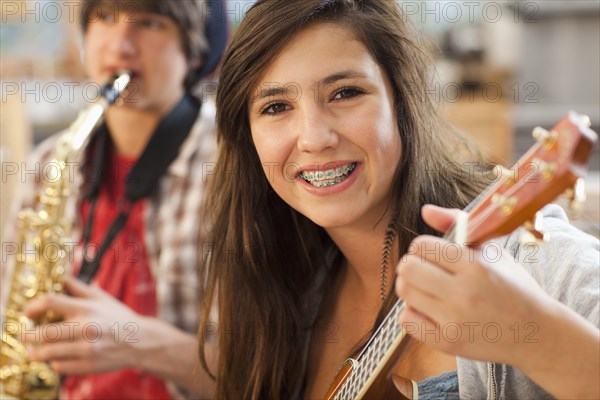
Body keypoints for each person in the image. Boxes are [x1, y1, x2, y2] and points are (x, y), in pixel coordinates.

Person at [198, 0, 599, 399]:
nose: (314, 137)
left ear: (401, 103)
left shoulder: (530, 258)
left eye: (345, 93)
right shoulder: (282, 283)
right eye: (276, 106)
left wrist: (531, 332)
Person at [1, 0, 227, 398]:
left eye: (150, 23)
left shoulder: (235, 164)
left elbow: (274, 374)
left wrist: (138, 341)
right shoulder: (48, 162)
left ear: (194, 51)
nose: (119, 46)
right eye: (105, 18)